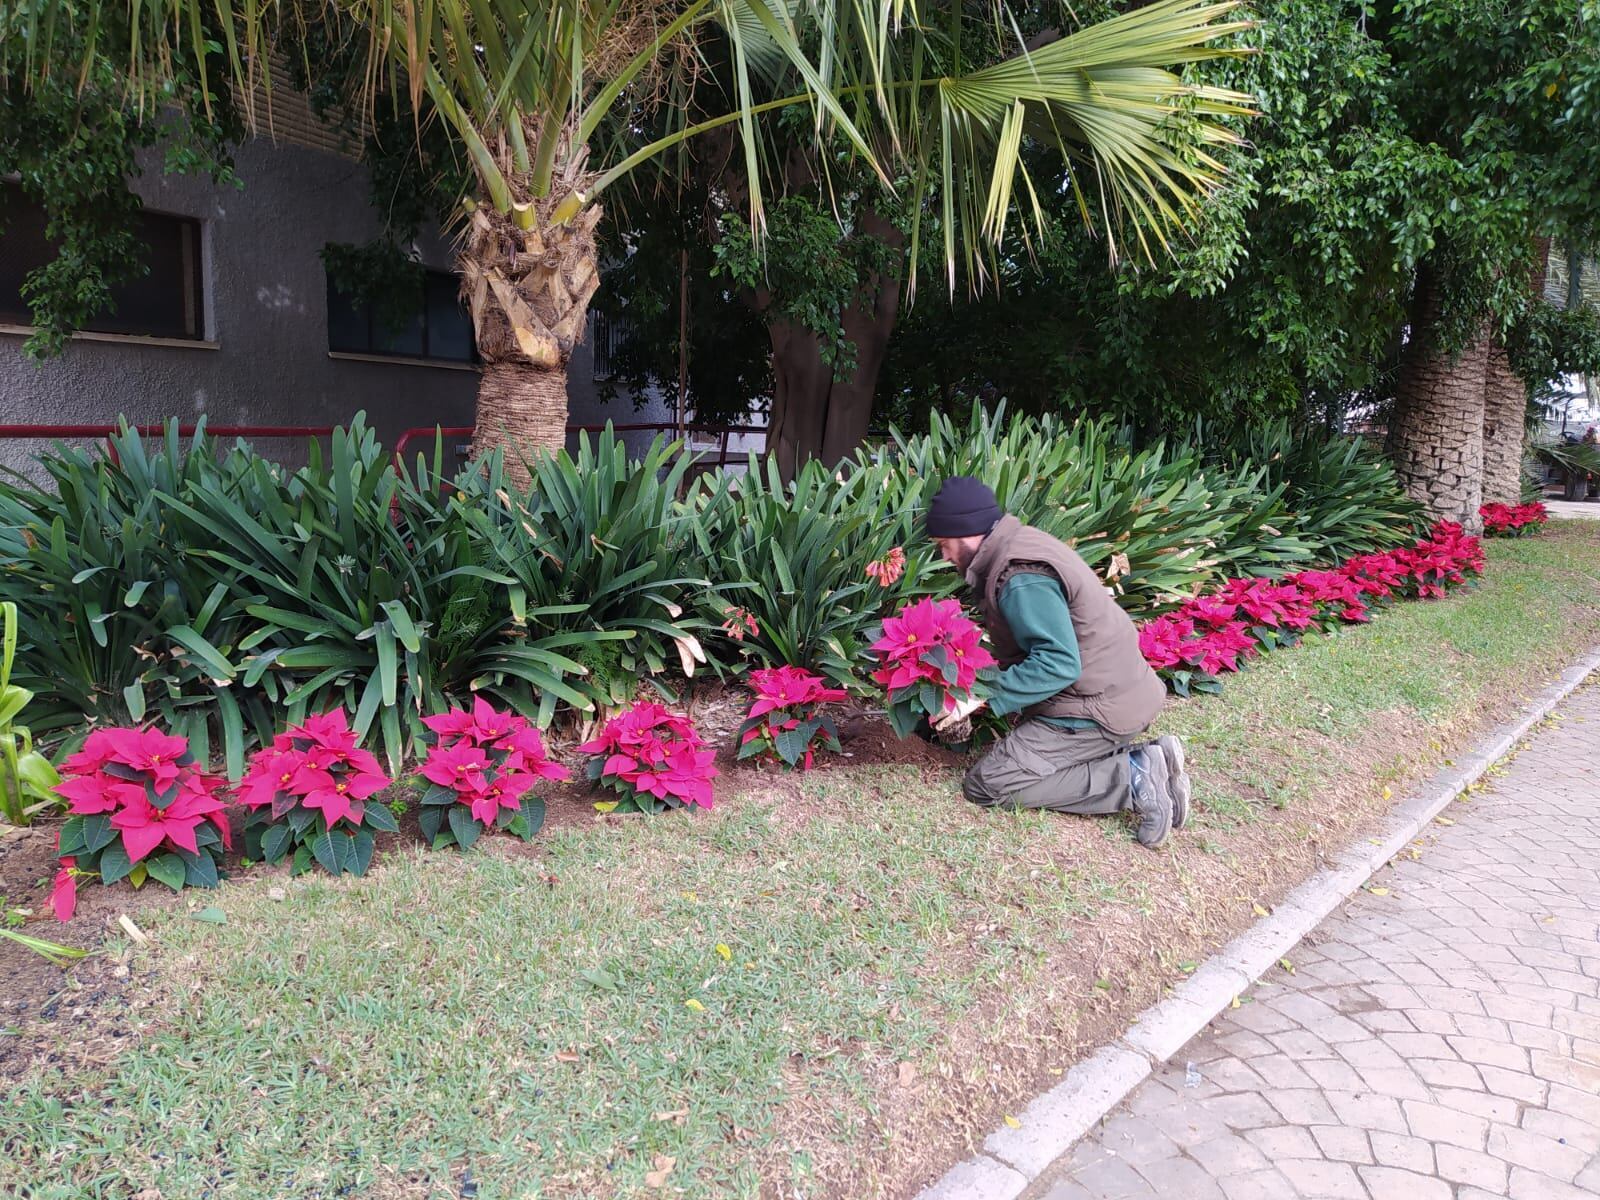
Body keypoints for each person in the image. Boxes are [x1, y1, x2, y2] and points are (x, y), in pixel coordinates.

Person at [923, 476, 1189, 848]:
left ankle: (1132, 776)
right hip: (1116, 693)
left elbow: (1059, 663)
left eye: (945, 545)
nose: (945, 556)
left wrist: (981, 695)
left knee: (989, 783)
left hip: (1093, 709)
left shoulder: (1019, 577)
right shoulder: (1019, 544)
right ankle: (1151, 759)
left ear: (966, 532)